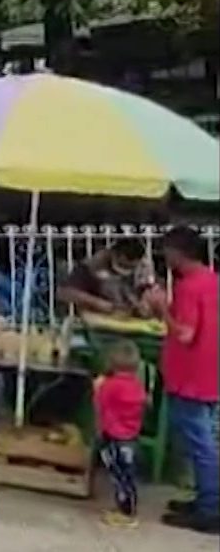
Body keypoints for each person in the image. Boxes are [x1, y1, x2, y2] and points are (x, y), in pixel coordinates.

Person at [150, 226, 219, 535]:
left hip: (191, 375)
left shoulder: (190, 287)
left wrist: (161, 308)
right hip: (207, 372)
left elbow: (185, 333)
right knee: (201, 440)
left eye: (167, 250)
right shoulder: (212, 281)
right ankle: (207, 499)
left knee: (199, 442)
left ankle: (209, 509)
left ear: (178, 252)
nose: (164, 256)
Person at [94, 340, 147, 528]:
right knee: (128, 476)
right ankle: (128, 508)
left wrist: (98, 387)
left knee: (118, 476)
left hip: (113, 436)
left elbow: (100, 404)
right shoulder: (138, 386)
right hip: (131, 437)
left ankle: (126, 513)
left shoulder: (110, 385)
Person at [60, 238, 158, 316]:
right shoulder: (92, 266)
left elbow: (150, 290)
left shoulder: (144, 266)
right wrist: (96, 303)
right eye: (122, 264)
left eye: (131, 266)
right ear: (113, 254)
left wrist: (146, 304)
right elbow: (65, 293)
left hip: (131, 321)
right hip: (98, 320)